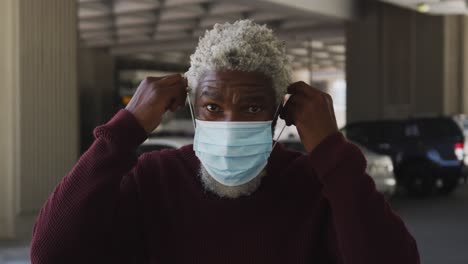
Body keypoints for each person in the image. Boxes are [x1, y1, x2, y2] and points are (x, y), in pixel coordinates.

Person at [30, 20, 420, 264]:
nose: (230, 123)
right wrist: (124, 129)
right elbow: (52, 253)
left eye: (252, 108)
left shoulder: (312, 186)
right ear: (193, 110)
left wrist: (332, 151)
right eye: (213, 107)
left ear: (279, 114)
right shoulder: (154, 179)